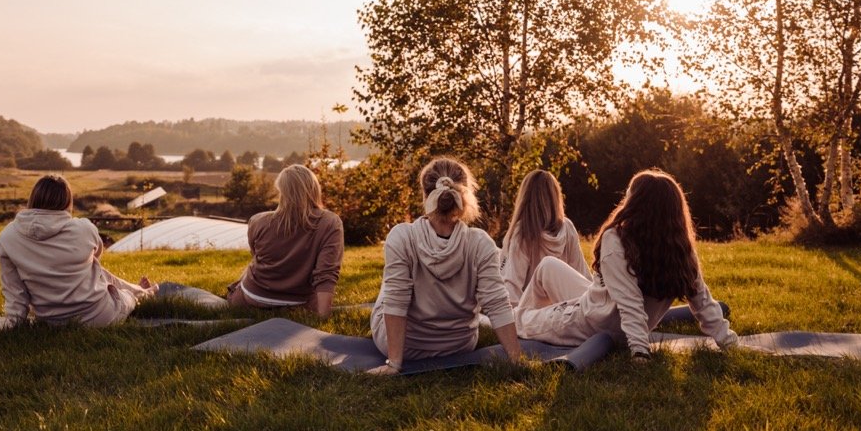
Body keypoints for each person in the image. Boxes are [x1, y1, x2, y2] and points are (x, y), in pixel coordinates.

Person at [515, 169, 737, 358]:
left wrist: (640, 352)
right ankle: (512, 312)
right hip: (604, 311)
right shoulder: (679, 248)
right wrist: (728, 342)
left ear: (637, 204)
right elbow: (704, 303)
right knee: (548, 266)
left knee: (519, 319)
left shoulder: (617, 238)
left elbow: (630, 304)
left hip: (585, 324)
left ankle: (492, 319)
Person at [369, 157, 523, 374]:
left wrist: (394, 364)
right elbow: (497, 303)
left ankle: (396, 356)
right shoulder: (481, 243)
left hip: (406, 348)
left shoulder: (402, 236)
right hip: (458, 346)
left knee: (391, 286)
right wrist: (517, 360)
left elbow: (396, 300)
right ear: (465, 195)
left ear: (425, 195)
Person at [0, 174, 156, 326]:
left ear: (33, 200)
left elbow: (15, 293)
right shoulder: (84, 228)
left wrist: (15, 321)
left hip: (50, 323)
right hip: (99, 316)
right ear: (67, 203)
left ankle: (139, 289)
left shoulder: (7, 237)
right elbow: (97, 257)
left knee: (97, 271)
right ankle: (143, 293)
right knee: (126, 297)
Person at [226, 164, 344, 317]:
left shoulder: (257, 221)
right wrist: (324, 317)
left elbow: (255, 257)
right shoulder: (330, 222)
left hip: (254, 297)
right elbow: (326, 273)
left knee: (249, 270)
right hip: (300, 302)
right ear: (314, 189)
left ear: (282, 191)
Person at [500, 169, 590, 306]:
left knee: (497, 258)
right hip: (563, 308)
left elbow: (511, 288)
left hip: (533, 313)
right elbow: (582, 275)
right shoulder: (568, 227)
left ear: (525, 198)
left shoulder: (524, 231)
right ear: (555, 198)